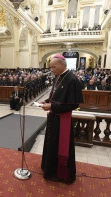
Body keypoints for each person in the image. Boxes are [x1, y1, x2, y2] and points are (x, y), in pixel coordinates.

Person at [38, 54, 83, 184]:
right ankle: (49, 168)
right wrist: (46, 101)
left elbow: (74, 104)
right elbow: (55, 96)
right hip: (53, 118)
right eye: (50, 67)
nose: (51, 70)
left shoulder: (72, 80)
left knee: (59, 145)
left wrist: (51, 106)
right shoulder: (58, 77)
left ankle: (60, 173)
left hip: (62, 120)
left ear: (62, 64)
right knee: (51, 143)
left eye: (53, 67)